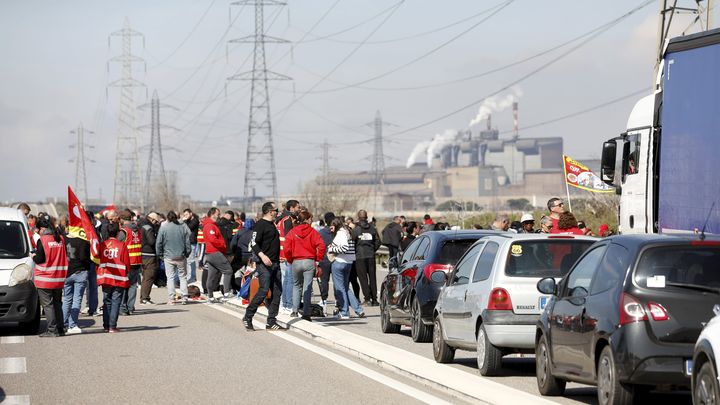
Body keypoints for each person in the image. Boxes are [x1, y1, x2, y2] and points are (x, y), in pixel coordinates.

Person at [243, 202, 285, 331]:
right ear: (269, 211)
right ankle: (248, 317)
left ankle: (271, 321)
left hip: (275, 263)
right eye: (275, 210)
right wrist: (262, 256)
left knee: (277, 291)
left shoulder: (272, 224)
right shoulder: (260, 225)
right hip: (264, 264)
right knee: (263, 290)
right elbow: (254, 243)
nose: (277, 212)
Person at [284, 207, 326, 321]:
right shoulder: (313, 232)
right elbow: (322, 246)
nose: (312, 221)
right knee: (307, 287)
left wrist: (289, 259)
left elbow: (286, 248)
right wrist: (317, 259)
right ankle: (306, 313)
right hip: (309, 261)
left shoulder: (292, 232)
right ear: (307, 220)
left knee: (296, 286)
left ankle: (294, 310)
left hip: (296, 261)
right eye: (311, 219)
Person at [32, 214, 68, 337]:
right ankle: (60, 329)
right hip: (59, 278)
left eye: (38, 229)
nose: (38, 232)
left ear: (42, 229)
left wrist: (33, 256)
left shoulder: (42, 240)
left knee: (48, 305)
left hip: (45, 278)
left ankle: (52, 330)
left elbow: (40, 259)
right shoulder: (61, 239)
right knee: (57, 303)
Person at [328, 218, 364, 319]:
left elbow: (344, 247)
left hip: (339, 262)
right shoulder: (349, 232)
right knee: (345, 288)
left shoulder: (341, 233)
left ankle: (344, 312)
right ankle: (358, 309)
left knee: (340, 289)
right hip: (348, 263)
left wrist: (331, 248)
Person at [97, 223, 131, 333]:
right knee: (116, 301)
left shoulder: (102, 245)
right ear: (118, 233)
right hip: (118, 278)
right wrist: (127, 273)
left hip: (105, 277)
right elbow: (127, 263)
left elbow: (97, 261)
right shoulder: (122, 245)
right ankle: (112, 326)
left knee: (107, 301)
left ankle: (106, 326)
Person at [156, 211, 192, 305]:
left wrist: (160, 254)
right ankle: (184, 297)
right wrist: (187, 253)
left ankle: (172, 298)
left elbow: (159, 242)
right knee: (183, 277)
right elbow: (187, 242)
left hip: (168, 256)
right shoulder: (182, 227)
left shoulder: (164, 228)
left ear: (167, 218)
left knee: (170, 278)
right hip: (181, 256)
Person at [202, 207, 234, 301]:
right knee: (228, 270)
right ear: (212, 214)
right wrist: (222, 244)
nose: (219, 216)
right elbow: (212, 239)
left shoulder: (211, 225)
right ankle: (227, 293)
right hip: (215, 252)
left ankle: (211, 296)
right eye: (218, 214)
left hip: (210, 253)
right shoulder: (209, 226)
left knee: (212, 274)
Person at [62, 229, 90, 334]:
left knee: (67, 299)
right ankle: (72, 325)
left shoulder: (63, 239)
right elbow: (84, 257)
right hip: (80, 272)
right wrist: (87, 268)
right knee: (77, 299)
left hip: (66, 272)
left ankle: (63, 324)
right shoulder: (81, 240)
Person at [351, 209, 381, 306]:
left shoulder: (356, 230)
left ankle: (367, 299)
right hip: (371, 256)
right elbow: (378, 241)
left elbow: (352, 242)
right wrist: (372, 249)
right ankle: (375, 299)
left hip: (360, 256)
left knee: (363, 278)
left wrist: (356, 251)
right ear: (366, 217)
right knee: (372, 277)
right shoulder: (372, 228)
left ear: (358, 218)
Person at [276, 199, 300, 314]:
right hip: (287, 255)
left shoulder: (281, 219)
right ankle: (289, 305)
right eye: (297, 207)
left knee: (285, 280)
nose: (299, 210)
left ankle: (284, 304)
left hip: (281, 254)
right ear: (291, 208)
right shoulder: (289, 220)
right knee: (290, 280)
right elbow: (289, 239)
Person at [118, 210, 142, 316]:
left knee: (124, 285)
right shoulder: (137, 230)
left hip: (127, 262)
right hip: (137, 261)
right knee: (133, 285)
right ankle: (130, 307)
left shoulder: (124, 231)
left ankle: (123, 308)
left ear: (122, 219)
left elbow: (118, 245)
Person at [139, 212, 160, 304]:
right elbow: (152, 241)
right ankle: (145, 298)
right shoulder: (149, 227)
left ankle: (143, 297)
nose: (156, 224)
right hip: (149, 254)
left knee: (145, 277)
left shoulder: (140, 224)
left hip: (141, 253)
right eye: (156, 222)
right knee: (149, 277)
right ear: (152, 219)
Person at [317, 212, 335, 315]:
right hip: (335, 259)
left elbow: (318, 246)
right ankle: (338, 302)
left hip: (324, 259)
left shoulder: (321, 232)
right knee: (337, 282)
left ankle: (324, 300)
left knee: (324, 281)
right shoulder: (336, 232)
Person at [182, 208, 200, 284]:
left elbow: (188, 228)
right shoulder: (188, 221)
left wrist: (184, 221)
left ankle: (192, 277)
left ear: (191, 213)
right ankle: (191, 276)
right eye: (184, 215)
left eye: (186, 214)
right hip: (186, 242)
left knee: (191, 260)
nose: (185, 216)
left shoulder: (195, 221)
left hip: (192, 242)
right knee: (186, 261)